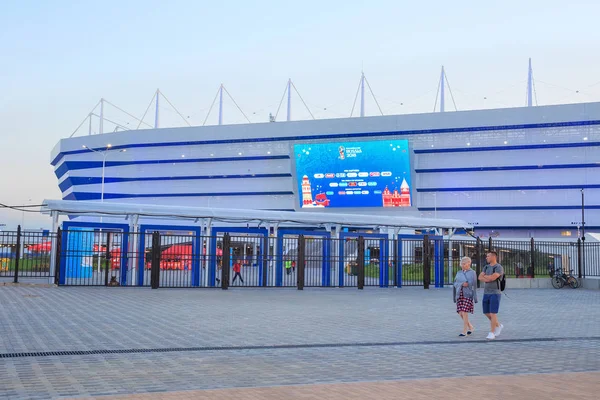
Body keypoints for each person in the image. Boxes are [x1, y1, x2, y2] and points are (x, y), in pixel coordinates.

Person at [478, 251, 504, 340]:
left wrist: (487, 278)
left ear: (493, 257)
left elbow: (493, 278)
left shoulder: (498, 267)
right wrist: (488, 278)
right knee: (486, 312)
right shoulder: (486, 267)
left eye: (488, 256)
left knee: (493, 313)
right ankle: (498, 325)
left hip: (495, 293)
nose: (486, 258)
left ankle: (492, 332)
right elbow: (480, 277)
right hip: (486, 292)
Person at [453, 257, 477, 337]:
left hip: (468, 294)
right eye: (461, 264)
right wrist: (461, 284)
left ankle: (464, 331)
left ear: (469, 264)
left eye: (464, 264)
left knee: (465, 312)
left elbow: (473, 283)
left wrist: (466, 284)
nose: (462, 265)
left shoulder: (472, 272)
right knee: (460, 312)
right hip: (459, 294)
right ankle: (470, 326)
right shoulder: (459, 272)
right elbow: (455, 283)